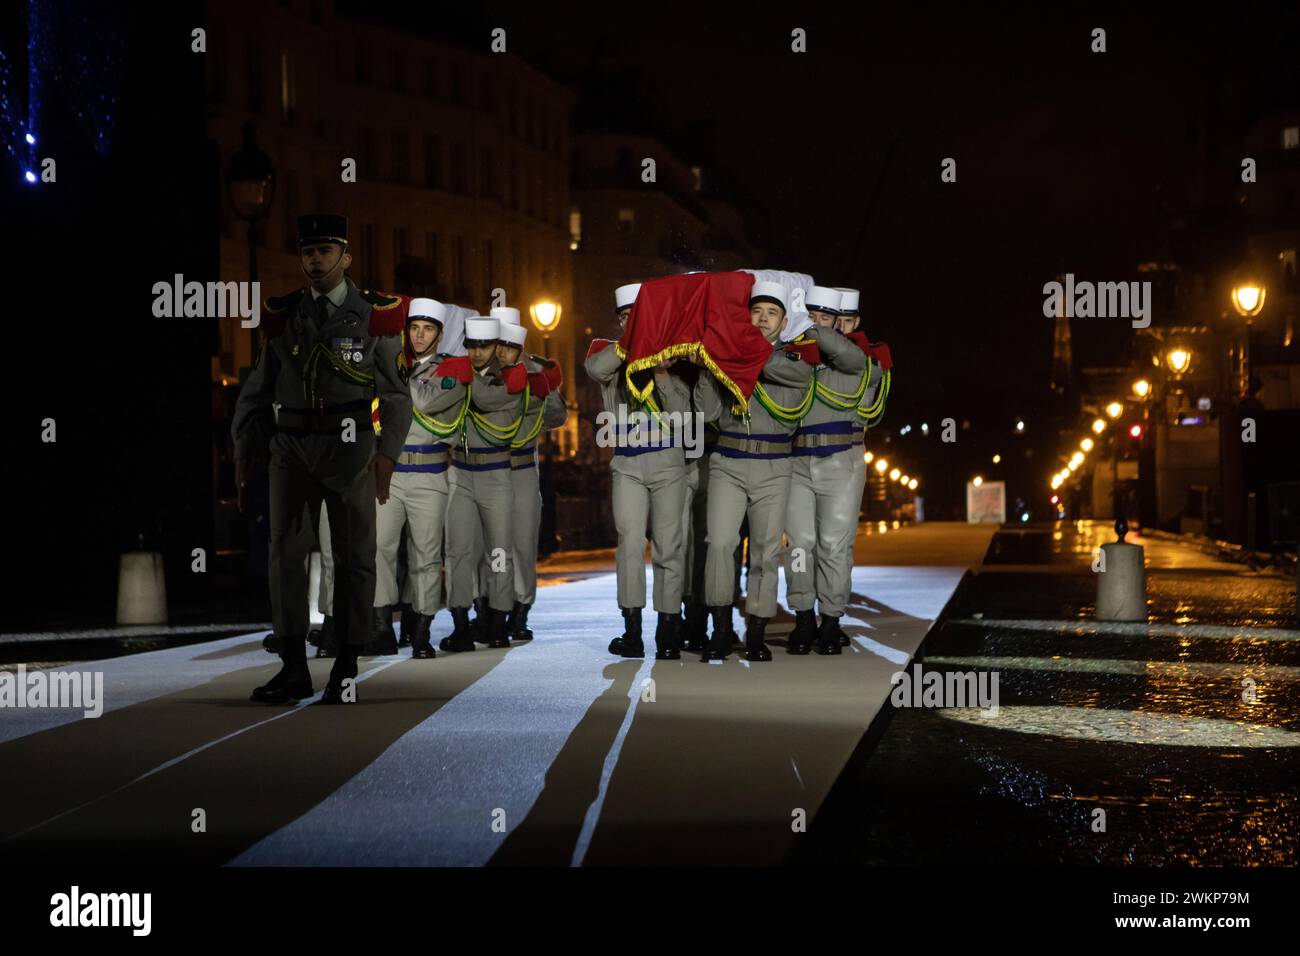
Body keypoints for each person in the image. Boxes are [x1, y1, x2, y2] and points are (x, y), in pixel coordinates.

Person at [233, 213, 412, 705]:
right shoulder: (284, 313)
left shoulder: (375, 315)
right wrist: (243, 448)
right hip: (290, 448)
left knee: (355, 556)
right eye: (308, 252)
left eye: (325, 252)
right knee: (284, 557)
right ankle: (293, 667)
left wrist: (388, 455)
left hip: (349, 446)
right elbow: (257, 389)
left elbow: (396, 397)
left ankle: (347, 667)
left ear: (345, 257)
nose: (315, 260)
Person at [694, 281, 822, 662]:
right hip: (728, 462)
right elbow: (706, 414)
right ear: (746, 317)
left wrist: (738, 350)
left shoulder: (796, 362)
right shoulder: (727, 358)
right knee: (718, 544)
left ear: (784, 323)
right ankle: (719, 629)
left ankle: (756, 632)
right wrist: (708, 368)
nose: (763, 319)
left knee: (765, 553)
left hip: (774, 465)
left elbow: (798, 381)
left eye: (772, 314)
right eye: (756, 312)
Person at [585, 282, 692, 660]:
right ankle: (632, 631)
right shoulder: (609, 354)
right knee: (629, 544)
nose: (633, 322)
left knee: (669, 546)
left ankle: (668, 630)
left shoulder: (672, 362)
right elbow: (596, 369)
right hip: (627, 461)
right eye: (627, 317)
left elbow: (682, 417)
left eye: (640, 317)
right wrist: (631, 344)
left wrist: (661, 374)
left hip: (668, 461)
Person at [370, 297, 464, 660]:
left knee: (425, 556)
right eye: (413, 328)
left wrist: (393, 370)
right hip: (390, 472)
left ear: (439, 334)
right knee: (380, 549)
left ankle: (421, 631)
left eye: (427, 329)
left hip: (429, 473)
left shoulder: (452, 371)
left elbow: (423, 403)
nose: (419, 335)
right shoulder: (392, 366)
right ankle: (382, 629)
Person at [784, 286, 869, 654]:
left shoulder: (858, 356)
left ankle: (831, 619)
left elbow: (855, 365)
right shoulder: (794, 358)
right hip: (796, 460)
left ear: (838, 323)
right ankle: (804, 616)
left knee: (835, 545)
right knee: (800, 544)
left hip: (841, 459)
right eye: (811, 316)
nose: (816, 323)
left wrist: (817, 336)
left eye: (825, 318)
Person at [440, 316, 529, 651]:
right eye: (471, 346)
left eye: (484, 346)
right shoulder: (458, 373)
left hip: (495, 474)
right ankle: (461, 623)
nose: (476, 353)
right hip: (461, 472)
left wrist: (460, 380)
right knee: (458, 552)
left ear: (496, 348)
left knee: (498, 553)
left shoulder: (510, 377)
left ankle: (498, 622)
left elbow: (488, 401)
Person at [492, 309, 567, 640]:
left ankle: (520, 612)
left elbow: (557, 416)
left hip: (522, 466)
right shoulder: (479, 371)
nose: (501, 349)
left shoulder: (539, 371)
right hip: (487, 468)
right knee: (492, 546)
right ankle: (493, 610)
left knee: (522, 544)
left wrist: (532, 399)